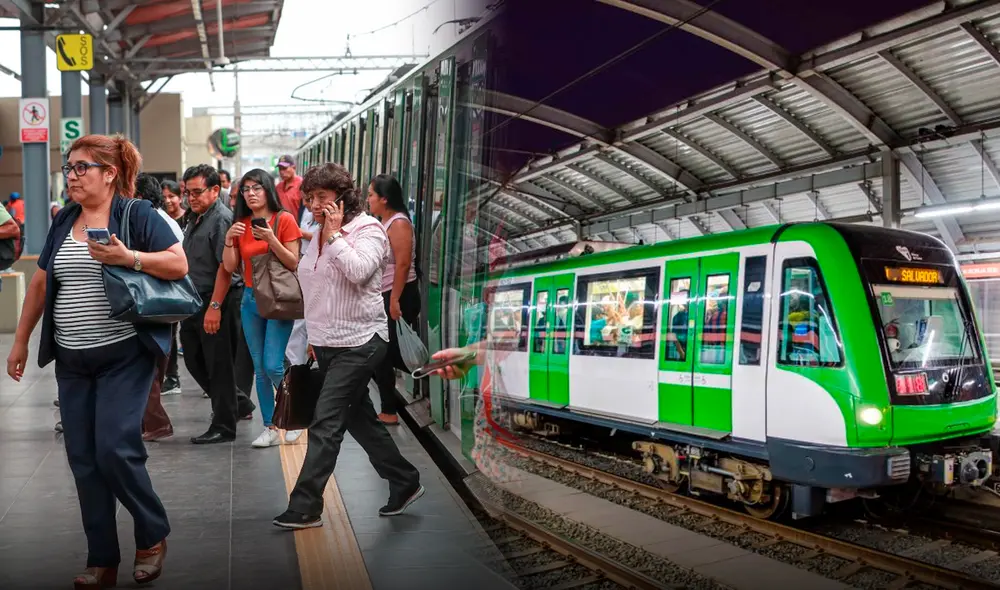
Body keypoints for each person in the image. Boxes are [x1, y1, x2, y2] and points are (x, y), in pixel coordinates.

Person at [5, 134, 185, 588]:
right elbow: (41, 285)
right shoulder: (65, 220)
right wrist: (21, 341)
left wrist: (131, 258)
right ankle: (102, 558)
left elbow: (178, 264)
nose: (72, 175)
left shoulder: (136, 214)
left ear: (109, 173)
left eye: (81, 167)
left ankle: (152, 533)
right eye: (68, 168)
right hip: (72, 359)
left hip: (124, 355)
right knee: (83, 458)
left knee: (115, 448)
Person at [273, 163, 422, 530]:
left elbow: (359, 272)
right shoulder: (319, 233)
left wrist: (336, 235)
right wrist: (312, 337)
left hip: (362, 341)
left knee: (326, 422)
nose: (314, 204)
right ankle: (405, 480)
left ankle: (305, 506)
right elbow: (314, 284)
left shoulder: (367, 230)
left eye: (322, 197)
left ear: (342, 196)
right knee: (361, 421)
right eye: (309, 198)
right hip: (326, 343)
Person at [223, 169, 303, 448]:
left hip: (279, 298)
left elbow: (293, 262)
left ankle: (295, 416)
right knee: (259, 367)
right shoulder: (241, 224)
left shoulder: (285, 220)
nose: (251, 193)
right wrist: (229, 239)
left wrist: (270, 239)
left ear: (268, 189)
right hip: (250, 300)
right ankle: (270, 426)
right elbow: (231, 266)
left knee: (272, 363)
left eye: (257, 187)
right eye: (246, 189)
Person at [179, 164, 250, 444]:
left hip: (217, 299)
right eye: (188, 193)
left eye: (197, 192)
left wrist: (215, 308)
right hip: (195, 300)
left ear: (215, 190)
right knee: (196, 361)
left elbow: (226, 268)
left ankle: (224, 425)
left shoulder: (221, 219)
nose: (191, 198)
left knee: (218, 366)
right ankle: (238, 402)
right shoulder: (196, 217)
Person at [366, 174, 420, 425]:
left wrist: (394, 300)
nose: (368, 200)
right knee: (383, 353)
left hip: (399, 294)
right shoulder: (383, 222)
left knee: (384, 353)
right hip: (386, 294)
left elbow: (403, 264)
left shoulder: (398, 224)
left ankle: (390, 409)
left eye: (371, 195)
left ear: (384, 199)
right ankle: (388, 409)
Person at [133, 173, 182, 441]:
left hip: (157, 302)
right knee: (151, 365)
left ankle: (156, 423)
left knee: (149, 367)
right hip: (157, 302)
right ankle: (150, 422)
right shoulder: (160, 219)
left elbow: (173, 263)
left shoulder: (154, 221)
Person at [275, 155, 303, 222]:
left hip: (297, 227)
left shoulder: (302, 185)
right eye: (280, 169)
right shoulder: (278, 187)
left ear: (294, 167)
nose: (281, 172)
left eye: (284, 168)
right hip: (280, 226)